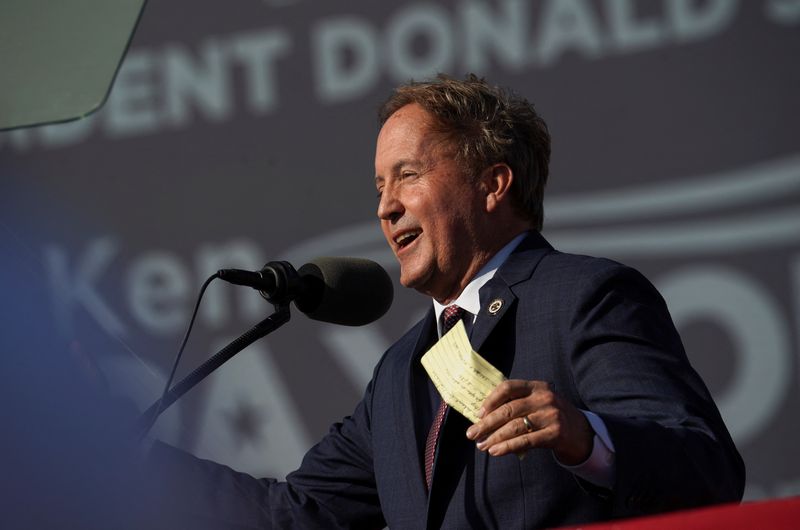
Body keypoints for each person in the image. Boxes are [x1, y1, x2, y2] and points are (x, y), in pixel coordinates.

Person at [144, 74, 745, 529]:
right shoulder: (400, 372)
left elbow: (708, 471)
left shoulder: (584, 297)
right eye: (379, 187)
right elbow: (292, 514)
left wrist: (585, 437)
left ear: (492, 183)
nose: (385, 207)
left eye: (407, 175)